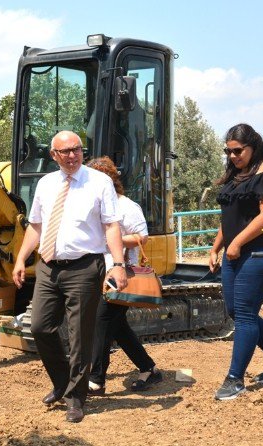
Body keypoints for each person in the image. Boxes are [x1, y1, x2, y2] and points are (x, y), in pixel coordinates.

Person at [12, 131, 127, 423]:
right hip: (49, 267)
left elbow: (112, 226)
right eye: (65, 152)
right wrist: (21, 258)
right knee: (39, 326)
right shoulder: (46, 183)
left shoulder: (99, 183)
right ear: (54, 155)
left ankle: (76, 398)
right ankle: (62, 382)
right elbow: (36, 226)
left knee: (79, 337)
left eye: (76, 150)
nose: (72, 156)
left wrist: (117, 264)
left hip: (84, 268)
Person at [209, 123, 263, 401]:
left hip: (260, 254)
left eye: (238, 150)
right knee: (237, 311)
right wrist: (216, 247)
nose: (233, 156)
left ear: (252, 146)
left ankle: (234, 379)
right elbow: (231, 219)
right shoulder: (236, 176)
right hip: (235, 254)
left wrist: (236, 244)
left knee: (245, 313)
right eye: (228, 151)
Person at [85, 157, 162, 396]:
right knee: (118, 327)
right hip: (98, 273)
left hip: (120, 274)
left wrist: (111, 240)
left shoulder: (127, 206)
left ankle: (96, 379)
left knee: (102, 322)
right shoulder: (94, 206)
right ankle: (148, 368)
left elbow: (142, 237)